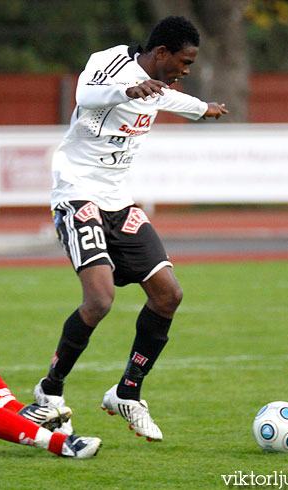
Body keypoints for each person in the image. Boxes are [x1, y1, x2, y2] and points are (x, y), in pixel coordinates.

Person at [33, 15, 229, 441]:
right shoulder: (111, 62)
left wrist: (203, 108)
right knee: (100, 300)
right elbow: (86, 93)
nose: (186, 70)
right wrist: (126, 89)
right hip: (77, 193)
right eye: (184, 61)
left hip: (119, 203)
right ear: (161, 54)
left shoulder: (161, 86)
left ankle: (127, 392)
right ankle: (49, 392)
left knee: (168, 295)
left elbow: (168, 100)